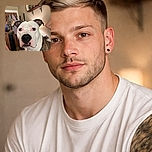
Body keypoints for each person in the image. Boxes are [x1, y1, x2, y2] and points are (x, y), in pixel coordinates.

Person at [5, 0, 152, 151]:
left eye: (82, 34)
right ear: (43, 51)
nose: (68, 50)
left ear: (108, 40)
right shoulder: (26, 126)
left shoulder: (145, 116)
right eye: (55, 39)